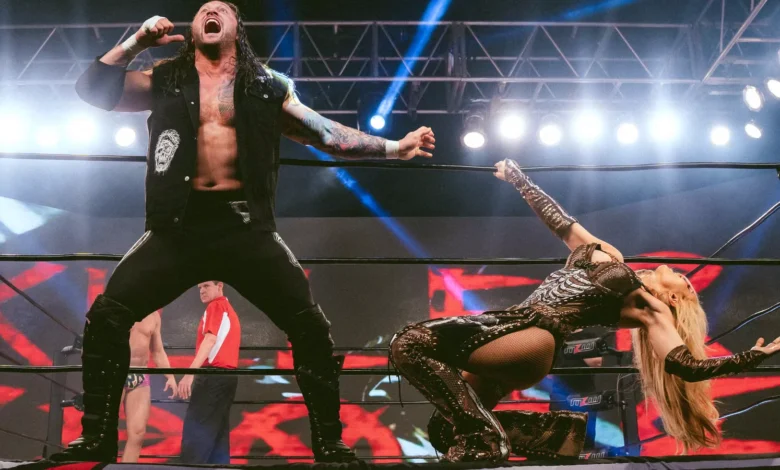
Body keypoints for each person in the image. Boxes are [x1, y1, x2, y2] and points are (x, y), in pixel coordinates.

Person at [51, 1, 435, 463]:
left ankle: (330, 444)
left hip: (245, 228)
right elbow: (92, 89)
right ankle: (95, 439)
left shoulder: (267, 87)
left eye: (221, 9)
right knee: (108, 315)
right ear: (195, 29)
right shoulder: (166, 79)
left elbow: (328, 135)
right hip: (178, 228)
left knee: (310, 327)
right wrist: (138, 42)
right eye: (202, 10)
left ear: (236, 26)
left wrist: (395, 147)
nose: (210, 11)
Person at [389, 159, 780, 462]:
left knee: (409, 343)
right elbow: (561, 223)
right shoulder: (611, 256)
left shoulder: (649, 309)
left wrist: (753, 356)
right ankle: (556, 433)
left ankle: (486, 436)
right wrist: (519, 179)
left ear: (675, 299)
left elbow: (685, 366)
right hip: (511, 325)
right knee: (444, 429)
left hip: (533, 338)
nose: (684, 276)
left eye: (688, 286)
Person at [178, 281, 241, 464]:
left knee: (195, 433)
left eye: (206, 286)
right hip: (226, 378)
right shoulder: (227, 308)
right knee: (218, 436)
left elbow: (210, 340)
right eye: (199, 288)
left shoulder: (216, 306)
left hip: (213, 377)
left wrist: (189, 374)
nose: (202, 291)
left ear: (219, 286)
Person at [122, 311, 177, 463]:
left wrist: (170, 376)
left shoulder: (153, 316)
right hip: (115, 372)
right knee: (107, 430)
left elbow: (157, 351)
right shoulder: (115, 309)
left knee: (138, 433)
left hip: (140, 375)